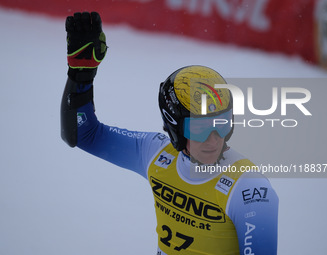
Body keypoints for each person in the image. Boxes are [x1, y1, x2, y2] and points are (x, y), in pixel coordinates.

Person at [61, 12, 279, 255]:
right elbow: (83, 134)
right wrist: (81, 75)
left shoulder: (250, 190)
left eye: (222, 124)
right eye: (200, 128)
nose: (215, 139)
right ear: (174, 128)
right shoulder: (154, 153)